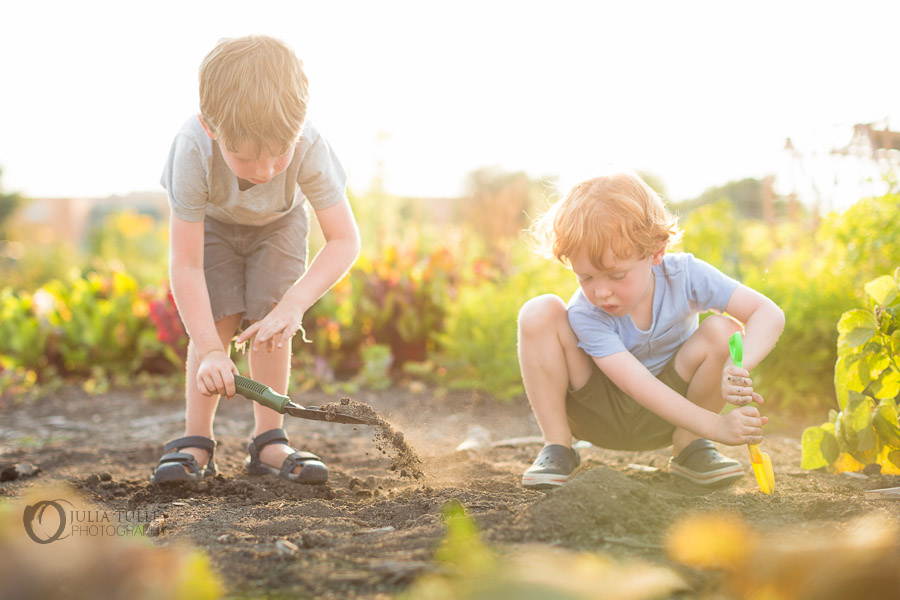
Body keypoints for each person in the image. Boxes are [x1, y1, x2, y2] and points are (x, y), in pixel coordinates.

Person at [151, 35, 360, 485]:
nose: (266, 170)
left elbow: (344, 240)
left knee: (271, 323)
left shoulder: (309, 143)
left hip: (280, 225)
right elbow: (186, 265)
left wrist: (292, 305)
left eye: (279, 153)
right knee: (219, 322)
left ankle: (269, 441)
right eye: (245, 156)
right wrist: (210, 349)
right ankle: (196, 441)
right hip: (213, 225)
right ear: (211, 128)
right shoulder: (192, 147)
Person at [517, 171, 784, 489]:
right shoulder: (586, 312)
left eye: (616, 276)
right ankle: (557, 446)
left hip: (671, 418)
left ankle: (690, 446)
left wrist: (737, 366)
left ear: (656, 252)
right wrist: (717, 426)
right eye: (586, 277)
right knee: (538, 311)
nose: (601, 292)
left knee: (724, 331)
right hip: (598, 415)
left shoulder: (685, 275)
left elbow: (767, 313)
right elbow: (637, 384)